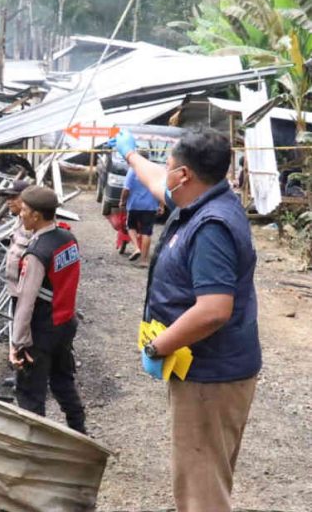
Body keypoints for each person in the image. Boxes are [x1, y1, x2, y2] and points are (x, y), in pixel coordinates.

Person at [112, 128, 261, 512]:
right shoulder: (199, 199)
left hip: (210, 376)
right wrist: (131, 155)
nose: (165, 171)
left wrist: (158, 345)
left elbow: (213, 310)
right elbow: (155, 180)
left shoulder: (212, 226)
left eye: (170, 165)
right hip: (205, 371)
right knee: (201, 475)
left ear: (185, 176)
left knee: (202, 487)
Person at [8, 186, 86, 434]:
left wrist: (18, 343)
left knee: (30, 393)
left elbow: (26, 301)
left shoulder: (36, 253)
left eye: (25, 210)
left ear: (36, 216)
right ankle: (79, 431)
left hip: (41, 330)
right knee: (63, 380)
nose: (21, 214)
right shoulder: (68, 239)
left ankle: (35, 449)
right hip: (64, 324)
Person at [119, 154, 162, 266]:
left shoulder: (133, 170)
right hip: (150, 206)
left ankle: (137, 248)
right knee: (146, 232)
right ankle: (144, 260)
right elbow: (161, 188)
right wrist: (161, 205)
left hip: (134, 205)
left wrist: (122, 201)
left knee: (131, 227)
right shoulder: (154, 170)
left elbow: (126, 189)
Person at [1, 180, 32, 305]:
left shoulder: (33, 225)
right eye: (7, 197)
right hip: (15, 290)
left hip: (27, 294)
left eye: (13, 197)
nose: (9, 201)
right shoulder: (19, 220)